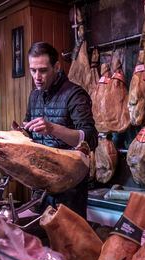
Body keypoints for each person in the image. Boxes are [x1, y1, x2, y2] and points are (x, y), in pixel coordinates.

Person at [23, 42, 98, 218]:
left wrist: (53, 128)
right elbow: (30, 131)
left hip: (69, 191)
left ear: (56, 67)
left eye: (42, 70)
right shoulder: (34, 96)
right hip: (39, 187)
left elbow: (91, 138)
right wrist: (23, 131)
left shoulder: (74, 94)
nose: (37, 76)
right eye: (33, 70)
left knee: (67, 244)